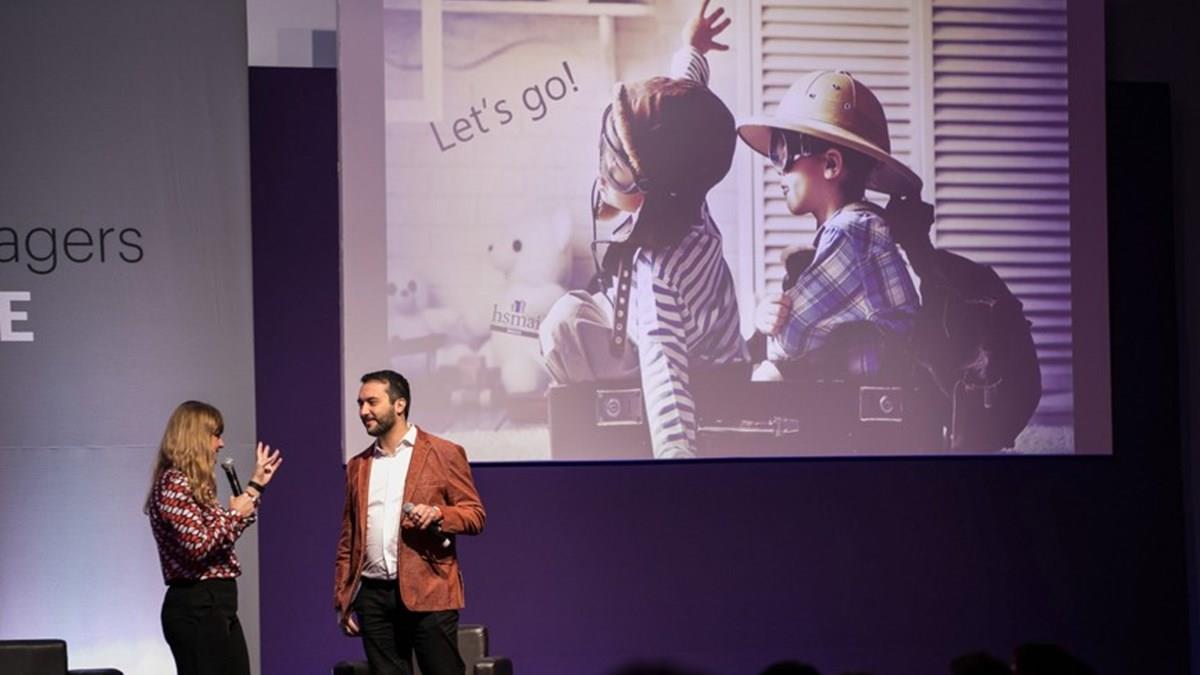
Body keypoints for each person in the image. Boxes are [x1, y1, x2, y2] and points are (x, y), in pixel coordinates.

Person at [539, 0, 748, 459]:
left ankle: (604, 423)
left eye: (617, 169)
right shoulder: (688, 200)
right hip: (717, 348)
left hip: (697, 369)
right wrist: (693, 49)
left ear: (654, 189)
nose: (603, 175)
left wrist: (674, 459)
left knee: (562, 325)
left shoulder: (657, 275)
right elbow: (685, 106)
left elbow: (664, 373)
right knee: (580, 308)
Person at [737, 69, 923, 379]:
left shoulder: (850, 231)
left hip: (886, 396)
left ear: (831, 164)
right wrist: (770, 316)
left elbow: (789, 342)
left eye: (784, 152)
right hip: (872, 390)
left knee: (766, 375)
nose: (779, 171)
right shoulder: (860, 224)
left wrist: (764, 325)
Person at [334, 369, 486, 675]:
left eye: (372, 402)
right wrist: (343, 597)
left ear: (399, 405)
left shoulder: (443, 453)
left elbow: (474, 514)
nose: (363, 411)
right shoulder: (358, 465)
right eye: (360, 404)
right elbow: (349, 538)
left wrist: (439, 514)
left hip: (430, 589)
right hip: (373, 597)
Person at [145, 400, 283, 675]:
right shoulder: (173, 483)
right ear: (196, 437)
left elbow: (220, 537)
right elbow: (199, 546)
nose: (221, 444)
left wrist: (255, 488)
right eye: (216, 435)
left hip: (217, 603)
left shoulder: (193, 485)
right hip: (196, 604)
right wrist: (234, 514)